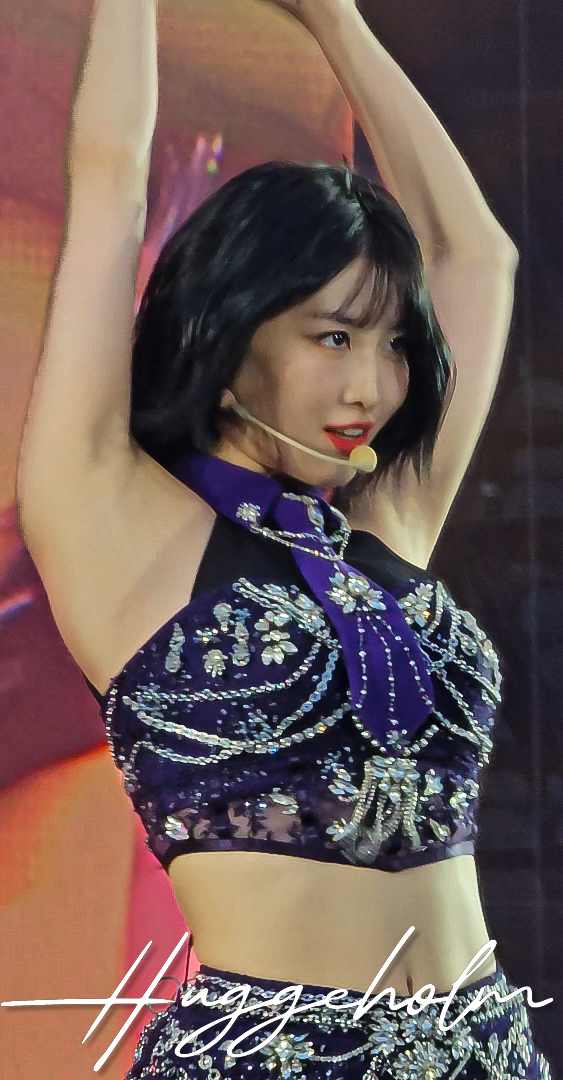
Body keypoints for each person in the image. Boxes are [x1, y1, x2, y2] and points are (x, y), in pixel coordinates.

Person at [14, 0, 553, 1076]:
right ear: (231, 331)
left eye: (393, 345)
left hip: (488, 1051)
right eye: (334, 337)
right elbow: (110, 183)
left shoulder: (384, 523)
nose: (372, 387)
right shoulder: (116, 522)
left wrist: (336, 21)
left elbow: (475, 257)